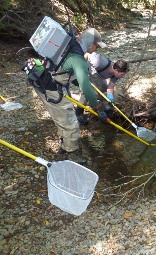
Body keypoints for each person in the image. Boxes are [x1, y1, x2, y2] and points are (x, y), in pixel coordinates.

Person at [34, 28, 109, 163]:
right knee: (70, 122)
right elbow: (85, 88)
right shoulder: (78, 58)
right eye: (96, 45)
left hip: (43, 80)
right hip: (51, 87)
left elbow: (67, 70)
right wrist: (97, 107)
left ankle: (63, 146)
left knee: (61, 117)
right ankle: (73, 154)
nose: (96, 49)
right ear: (90, 43)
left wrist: (77, 80)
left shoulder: (70, 46)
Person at [75, 52, 129, 125]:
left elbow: (110, 86)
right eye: (122, 74)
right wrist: (79, 69)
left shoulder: (116, 75)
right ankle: (79, 112)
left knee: (104, 88)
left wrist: (110, 98)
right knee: (88, 92)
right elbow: (87, 55)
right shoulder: (99, 62)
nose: (123, 76)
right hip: (88, 71)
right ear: (116, 70)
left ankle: (101, 106)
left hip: (98, 76)